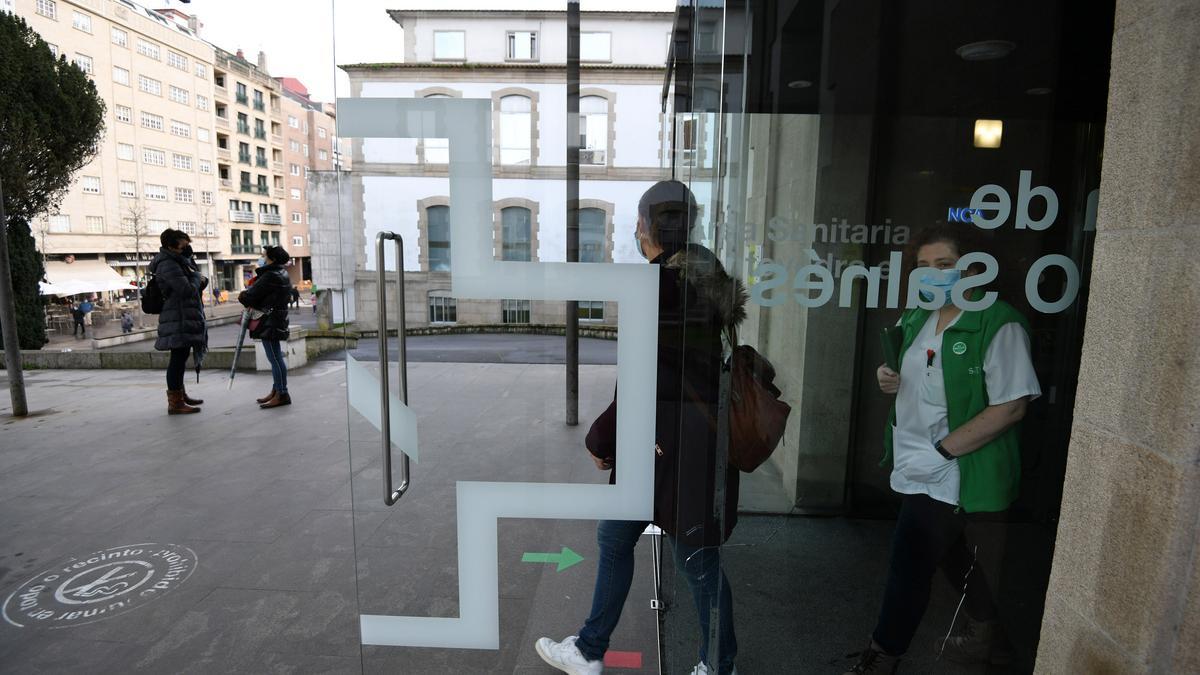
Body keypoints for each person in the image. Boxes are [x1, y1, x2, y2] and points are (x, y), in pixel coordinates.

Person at [536, 181, 745, 675]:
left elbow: (642, 376)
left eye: (638, 220)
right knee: (615, 538)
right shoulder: (703, 279)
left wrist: (600, 440)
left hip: (670, 448)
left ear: (651, 227)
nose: (634, 229)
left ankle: (719, 664)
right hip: (677, 442)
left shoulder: (660, 287)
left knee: (697, 563)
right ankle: (589, 649)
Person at [843, 225, 1041, 674]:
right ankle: (994, 642)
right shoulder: (921, 315)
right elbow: (910, 369)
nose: (932, 276)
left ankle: (884, 654)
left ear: (974, 268)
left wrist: (943, 452)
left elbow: (1011, 407)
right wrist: (887, 376)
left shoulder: (997, 321)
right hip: (918, 462)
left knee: (908, 563)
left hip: (957, 468)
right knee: (954, 559)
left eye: (945, 265)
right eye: (923, 267)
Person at [150, 228, 208, 415]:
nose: (187, 248)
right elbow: (186, 290)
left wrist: (191, 264)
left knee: (181, 358)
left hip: (182, 315)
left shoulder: (178, 261)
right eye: (183, 246)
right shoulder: (167, 264)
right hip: (177, 316)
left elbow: (193, 282)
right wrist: (198, 277)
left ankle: (180, 395)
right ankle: (175, 403)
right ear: (170, 246)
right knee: (177, 359)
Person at [239, 246, 294, 409]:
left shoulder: (270, 275)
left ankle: (282, 393)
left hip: (268, 321)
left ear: (272, 259)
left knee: (275, 359)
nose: (262, 258)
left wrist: (243, 295)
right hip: (276, 319)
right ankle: (277, 390)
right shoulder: (282, 273)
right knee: (276, 357)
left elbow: (250, 296)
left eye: (264, 256)